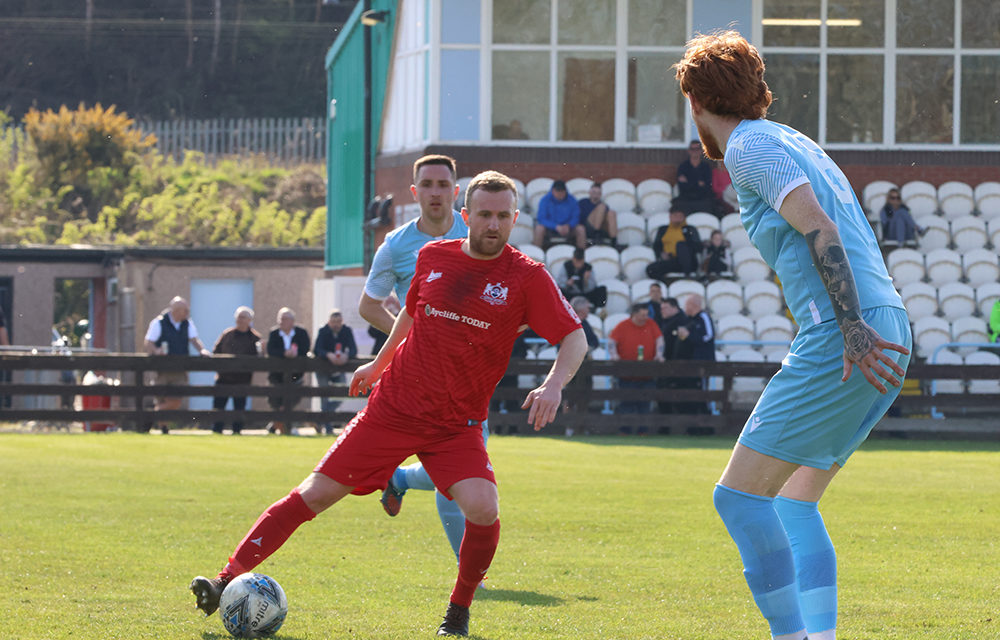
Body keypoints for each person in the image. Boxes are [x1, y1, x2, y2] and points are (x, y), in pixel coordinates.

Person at [190, 170, 588, 638]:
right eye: (484, 214)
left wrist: (554, 384)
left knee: (483, 507)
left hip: (454, 426)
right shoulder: (433, 256)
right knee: (313, 495)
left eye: (503, 216)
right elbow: (410, 317)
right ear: (466, 216)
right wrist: (378, 365)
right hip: (392, 410)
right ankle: (222, 580)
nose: (493, 225)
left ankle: (457, 613)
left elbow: (574, 337)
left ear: (515, 219)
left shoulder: (527, 277)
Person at [675, 30, 911, 640]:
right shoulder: (789, 137)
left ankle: (794, 638)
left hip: (849, 330)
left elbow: (820, 229)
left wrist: (850, 329)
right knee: (794, 503)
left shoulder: (751, 146)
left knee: (739, 499)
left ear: (694, 102)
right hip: (887, 321)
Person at [356, 154, 487, 575]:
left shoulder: (479, 232)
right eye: (426, 185)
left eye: (442, 184)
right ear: (414, 193)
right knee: (458, 472)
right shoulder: (395, 245)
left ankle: (399, 478)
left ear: (456, 190)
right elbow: (368, 305)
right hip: (421, 376)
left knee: (459, 471)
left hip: (471, 373)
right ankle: (468, 573)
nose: (435, 192)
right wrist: (408, 337)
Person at [142, 296, 212, 434]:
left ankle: (149, 416)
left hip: (179, 368)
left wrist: (202, 350)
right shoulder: (158, 323)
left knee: (175, 400)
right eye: (185, 310)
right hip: (161, 368)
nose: (187, 313)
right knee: (162, 398)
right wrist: (157, 351)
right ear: (177, 310)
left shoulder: (187, 324)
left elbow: (194, 339)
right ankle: (163, 427)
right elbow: (148, 342)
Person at [608, 303, 664, 422]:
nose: (645, 317)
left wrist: (659, 354)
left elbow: (659, 339)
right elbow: (612, 341)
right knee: (626, 403)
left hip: (647, 373)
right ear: (634, 314)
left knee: (645, 404)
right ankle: (625, 431)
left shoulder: (651, 324)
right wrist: (614, 354)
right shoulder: (623, 326)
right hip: (626, 373)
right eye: (642, 315)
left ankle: (643, 431)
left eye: (646, 315)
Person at [211, 306, 261, 435]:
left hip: (242, 379)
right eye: (238, 317)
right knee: (219, 406)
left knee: (239, 407)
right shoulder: (227, 334)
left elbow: (259, 357)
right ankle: (217, 430)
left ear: (249, 320)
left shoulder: (254, 338)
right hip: (224, 378)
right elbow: (216, 351)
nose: (239, 320)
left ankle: (237, 431)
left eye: (243, 317)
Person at [265, 307, 311, 435]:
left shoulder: (301, 332)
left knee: (292, 399)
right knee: (275, 399)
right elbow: (271, 350)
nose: (281, 321)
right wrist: (284, 353)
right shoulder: (274, 333)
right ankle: (281, 425)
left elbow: (306, 347)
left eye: (284, 319)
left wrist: (296, 354)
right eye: (280, 318)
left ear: (292, 321)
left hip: (295, 375)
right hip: (277, 375)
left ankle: (277, 424)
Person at [314, 309, 358, 435]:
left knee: (341, 394)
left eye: (338, 322)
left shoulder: (346, 331)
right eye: (333, 322)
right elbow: (317, 349)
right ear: (329, 322)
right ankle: (328, 427)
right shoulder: (323, 331)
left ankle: (320, 419)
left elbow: (353, 349)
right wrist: (328, 355)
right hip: (323, 368)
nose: (336, 324)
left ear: (342, 322)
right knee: (325, 395)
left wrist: (346, 356)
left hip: (339, 369)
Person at [676, 294, 716, 414]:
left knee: (702, 391)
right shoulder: (689, 320)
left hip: (703, 361)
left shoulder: (703, 317)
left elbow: (708, 336)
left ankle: (706, 420)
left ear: (693, 305)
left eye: (687, 305)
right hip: (692, 362)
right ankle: (695, 424)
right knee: (693, 392)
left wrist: (689, 336)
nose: (685, 308)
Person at [646, 206, 702, 280]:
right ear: (670, 216)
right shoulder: (663, 229)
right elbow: (657, 246)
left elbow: (698, 247)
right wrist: (661, 253)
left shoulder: (690, 229)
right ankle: (666, 286)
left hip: (689, 262)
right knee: (651, 269)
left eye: (680, 216)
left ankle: (688, 277)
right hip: (672, 261)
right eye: (675, 216)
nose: (678, 219)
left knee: (681, 245)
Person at [656, 297, 688, 414]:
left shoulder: (682, 321)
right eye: (661, 308)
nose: (662, 311)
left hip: (677, 366)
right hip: (668, 365)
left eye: (665, 308)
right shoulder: (666, 321)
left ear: (675, 308)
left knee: (678, 396)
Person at [533, 180, 586, 249]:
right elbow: (541, 218)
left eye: (562, 191)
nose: (560, 193)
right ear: (552, 191)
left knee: (580, 229)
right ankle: (536, 254)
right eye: (557, 191)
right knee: (539, 229)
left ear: (565, 191)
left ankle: (580, 255)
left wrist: (569, 225)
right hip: (550, 229)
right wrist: (556, 226)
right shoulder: (545, 200)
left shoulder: (572, 200)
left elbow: (576, 216)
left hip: (568, 228)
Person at [674, 139, 721, 214]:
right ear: (689, 151)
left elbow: (707, 186)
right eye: (692, 149)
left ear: (701, 151)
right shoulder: (683, 167)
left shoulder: (706, 167)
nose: (695, 152)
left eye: (697, 149)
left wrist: (689, 182)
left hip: (702, 198)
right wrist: (698, 183)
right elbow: (682, 187)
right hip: (686, 198)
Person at [578, 181, 619, 247]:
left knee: (611, 213)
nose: (596, 195)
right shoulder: (583, 202)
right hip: (587, 228)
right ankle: (596, 234)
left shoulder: (605, 206)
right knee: (601, 207)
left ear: (600, 194)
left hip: (602, 230)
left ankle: (614, 241)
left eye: (598, 193)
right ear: (590, 192)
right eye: (594, 192)